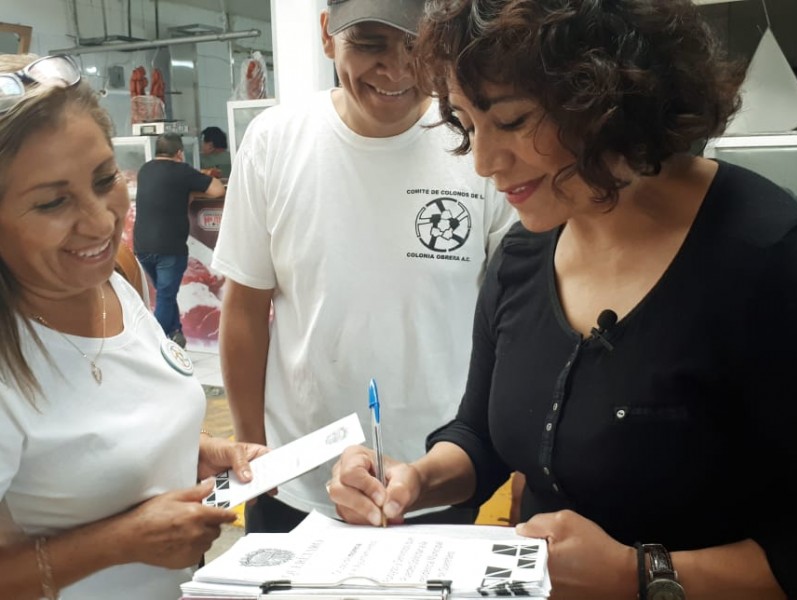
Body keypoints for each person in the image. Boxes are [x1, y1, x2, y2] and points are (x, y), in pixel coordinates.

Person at [327, 1, 797, 599]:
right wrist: (415, 480)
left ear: (610, 95)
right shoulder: (525, 254)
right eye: (469, 127)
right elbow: (480, 436)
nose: (484, 162)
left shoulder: (766, 258)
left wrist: (640, 575)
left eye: (514, 120)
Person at [211, 0, 517, 533]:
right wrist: (252, 447)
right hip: (297, 481)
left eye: (417, 47)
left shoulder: (477, 145)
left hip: (439, 475)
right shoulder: (275, 141)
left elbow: (515, 324)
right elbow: (244, 308)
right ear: (327, 35)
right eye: (370, 44)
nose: (397, 70)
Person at [0, 53, 267, 600]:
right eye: (53, 202)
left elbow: (94, 440)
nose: (100, 221)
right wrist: (122, 542)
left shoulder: (114, 278)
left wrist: (196, 449)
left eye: (105, 180)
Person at [134, 132, 224, 348]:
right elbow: (217, 189)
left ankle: (176, 335)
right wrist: (190, 189)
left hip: (142, 246)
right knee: (166, 295)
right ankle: (156, 347)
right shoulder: (182, 171)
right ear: (180, 153)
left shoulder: (145, 170)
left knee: (165, 294)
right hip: (169, 247)